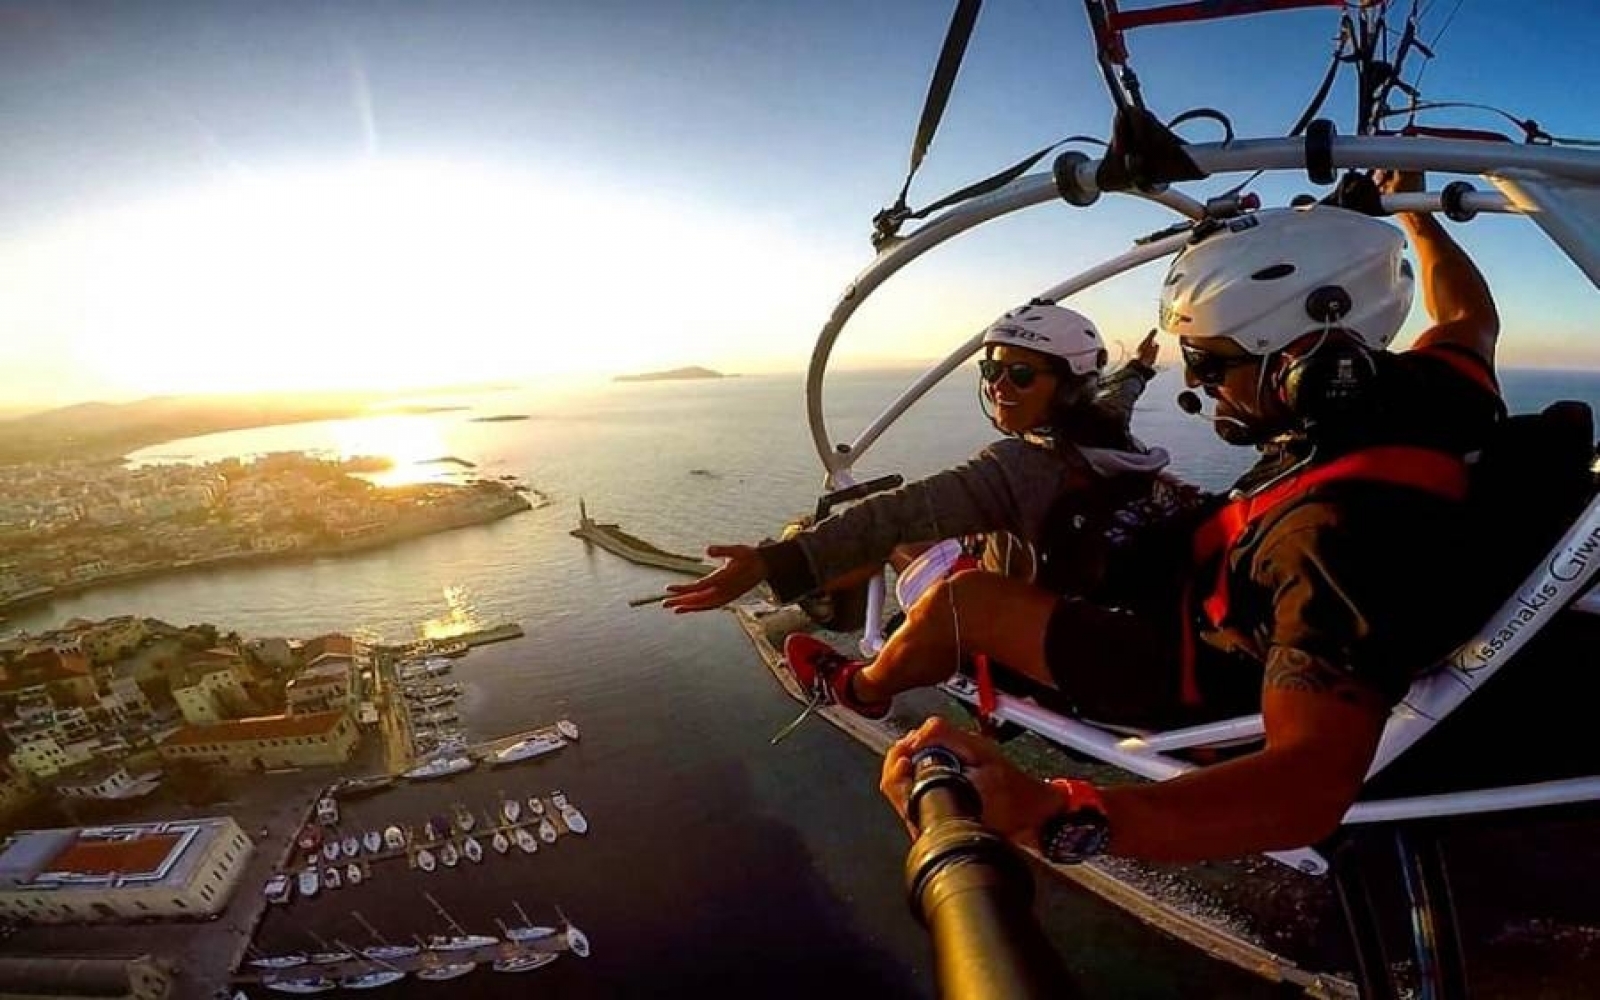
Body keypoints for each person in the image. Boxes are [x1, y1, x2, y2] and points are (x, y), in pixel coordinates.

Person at [880, 180, 1506, 865]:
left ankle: (862, 685)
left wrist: (1058, 810)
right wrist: (1415, 212)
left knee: (964, 598)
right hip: (1213, 579)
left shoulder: (1331, 538)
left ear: (1298, 365)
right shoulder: (1434, 390)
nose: (1198, 384)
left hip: (1184, 670)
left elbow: (1309, 785)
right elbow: (1468, 316)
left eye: (1212, 362)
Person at [663, 304, 1171, 717]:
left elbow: (896, 514)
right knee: (897, 537)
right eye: (991, 370)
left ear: (1065, 384)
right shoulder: (1109, 436)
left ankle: (855, 682)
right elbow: (1117, 397)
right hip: (1085, 614)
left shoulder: (1020, 465)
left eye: (1019, 374)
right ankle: (819, 598)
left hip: (1020, 645)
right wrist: (1140, 370)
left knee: (884, 535)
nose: (998, 387)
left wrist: (773, 560)